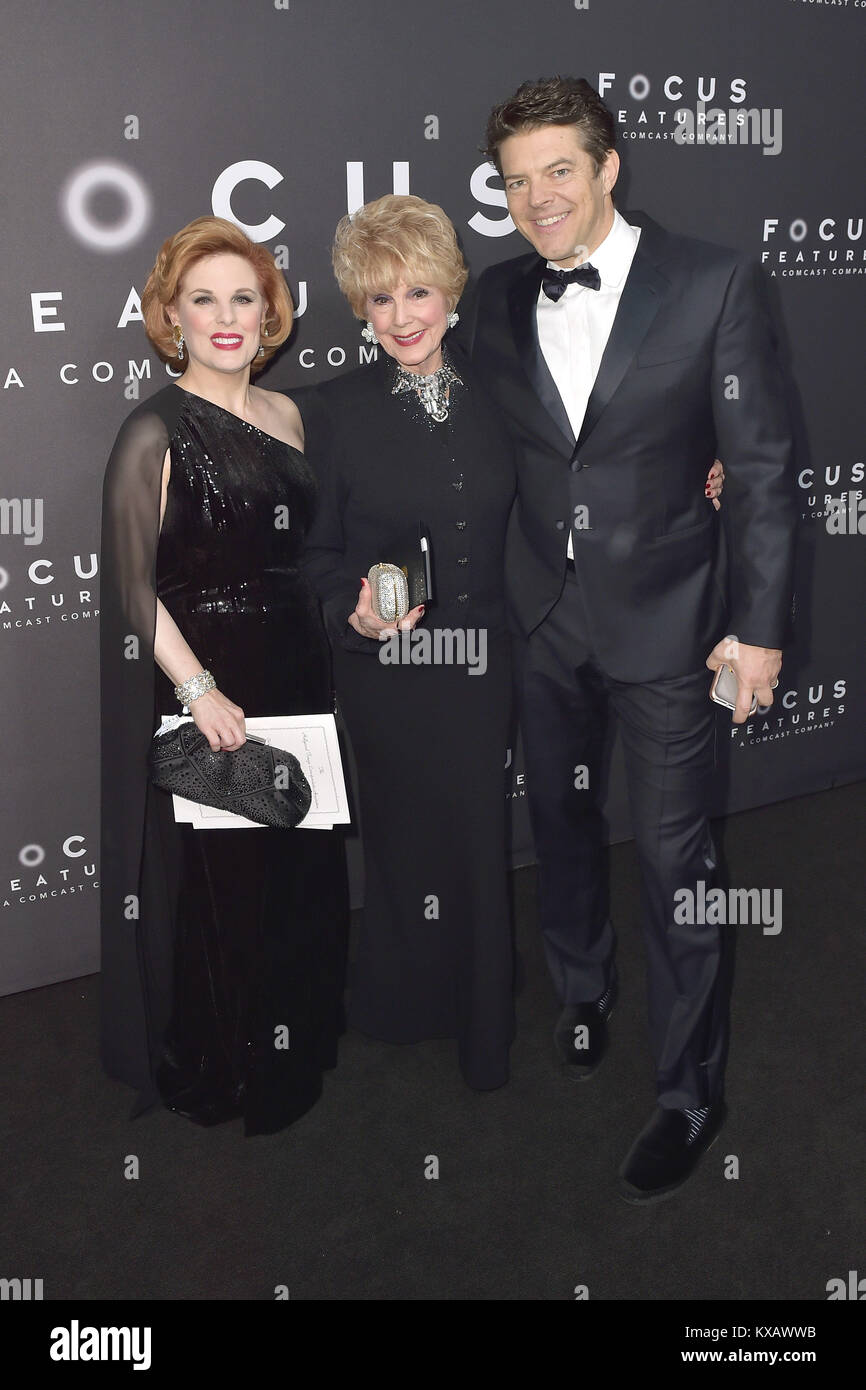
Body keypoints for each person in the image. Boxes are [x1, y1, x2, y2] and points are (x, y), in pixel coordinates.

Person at [295, 194, 723, 1094]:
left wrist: (700, 467)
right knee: (409, 839)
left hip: (500, 652)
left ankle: (486, 1009)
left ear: (452, 293)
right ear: (359, 311)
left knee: (484, 834)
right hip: (393, 670)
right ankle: (407, 999)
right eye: (379, 300)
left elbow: (605, 449)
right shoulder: (330, 412)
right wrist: (356, 613)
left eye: (418, 293)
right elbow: (320, 556)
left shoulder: (504, 393)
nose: (402, 317)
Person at [463, 77, 796, 1200]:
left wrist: (756, 632)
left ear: (608, 167)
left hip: (669, 625)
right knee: (559, 831)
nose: (536, 196)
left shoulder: (713, 280)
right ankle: (582, 989)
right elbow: (464, 444)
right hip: (540, 626)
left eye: (559, 169)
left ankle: (689, 1093)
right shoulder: (494, 301)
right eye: (515, 180)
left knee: (675, 866)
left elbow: (755, 468)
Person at [99, 216, 349, 1136]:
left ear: (269, 309)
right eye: (203, 300)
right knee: (229, 881)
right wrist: (198, 690)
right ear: (171, 316)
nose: (226, 316)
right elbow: (129, 584)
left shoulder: (288, 415)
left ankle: (298, 1045)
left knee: (298, 868)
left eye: (243, 297)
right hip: (215, 682)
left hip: (300, 668)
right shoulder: (153, 429)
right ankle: (231, 1064)